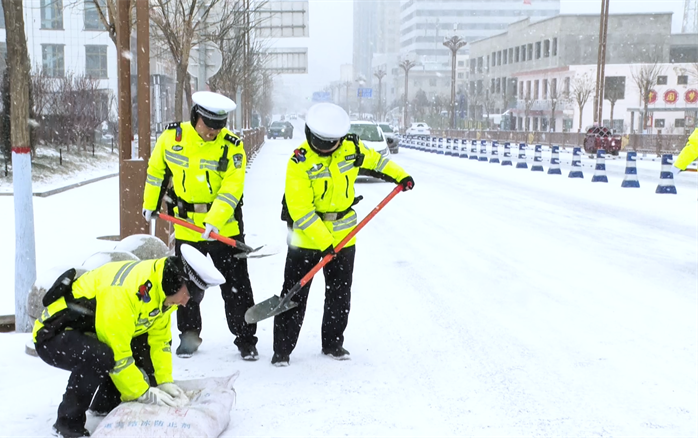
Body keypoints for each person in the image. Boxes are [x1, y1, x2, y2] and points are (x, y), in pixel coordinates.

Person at [272, 102, 415, 367]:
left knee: (339, 293)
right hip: (305, 239)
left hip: (344, 235)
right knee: (294, 293)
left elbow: (378, 162)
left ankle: (333, 344)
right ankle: (282, 350)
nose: (328, 148)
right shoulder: (299, 161)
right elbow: (300, 210)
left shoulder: (351, 148)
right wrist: (325, 243)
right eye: (322, 143)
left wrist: (401, 176)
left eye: (332, 143)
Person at [32, 246, 225, 438]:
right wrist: (141, 392)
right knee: (101, 356)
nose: (185, 302)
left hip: (93, 332)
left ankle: (104, 404)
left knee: (144, 358)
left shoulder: (163, 291)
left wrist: (164, 381)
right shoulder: (123, 291)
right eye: (188, 294)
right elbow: (117, 348)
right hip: (54, 333)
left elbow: (159, 340)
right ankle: (67, 423)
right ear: (177, 281)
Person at [141, 91, 259, 361]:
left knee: (236, 287)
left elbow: (232, 187)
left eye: (219, 126)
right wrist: (151, 202)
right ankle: (189, 336)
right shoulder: (172, 139)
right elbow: (156, 171)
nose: (212, 132)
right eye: (208, 125)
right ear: (196, 116)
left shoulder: (232, 146)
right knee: (185, 285)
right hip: (185, 226)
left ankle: (245, 339)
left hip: (224, 228)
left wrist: (214, 220)